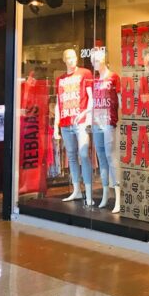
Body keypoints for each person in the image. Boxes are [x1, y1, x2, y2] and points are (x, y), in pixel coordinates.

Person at [54, 49, 94, 205]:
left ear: (77, 58)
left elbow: (91, 98)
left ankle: (89, 194)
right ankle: (77, 190)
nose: (71, 60)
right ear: (64, 60)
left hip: (81, 121)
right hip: (66, 123)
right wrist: (56, 126)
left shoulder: (85, 73)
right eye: (68, 58)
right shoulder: (60, 80)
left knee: (83, 154)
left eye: (73, 57)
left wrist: (88, 117)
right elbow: (58, 103)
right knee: (71, 156)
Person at [91, 48, 122, 213]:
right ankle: (105, 194)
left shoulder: (114, 77)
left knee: (111, 156)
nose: (95, 64)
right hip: (97, 121)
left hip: (109, 120)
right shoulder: (94, 80)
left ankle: (118, 197)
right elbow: (93, 102)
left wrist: (123, 117)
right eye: (93, 61)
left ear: (103, 60)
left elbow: (120, 100)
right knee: (101, 158)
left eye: (97, 60)